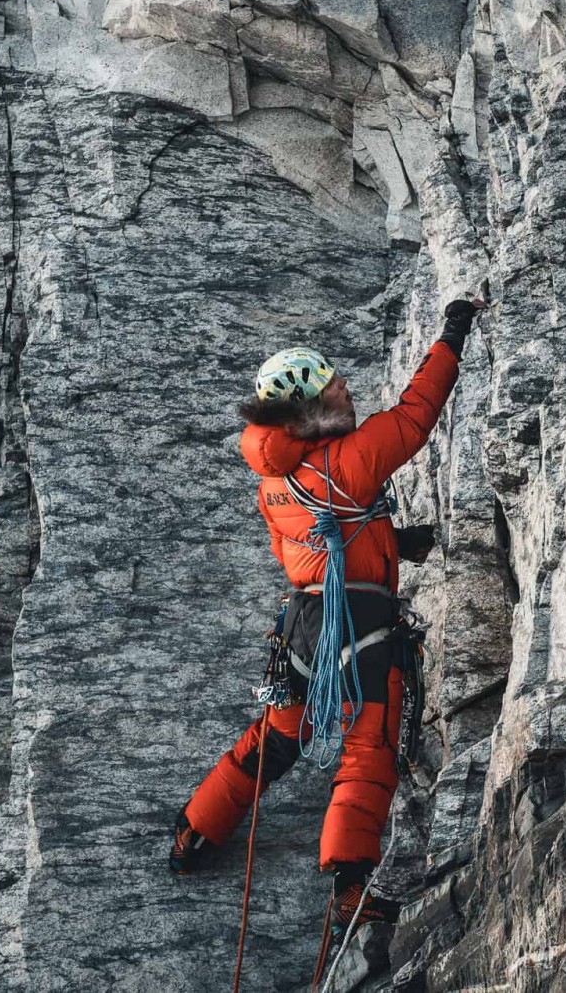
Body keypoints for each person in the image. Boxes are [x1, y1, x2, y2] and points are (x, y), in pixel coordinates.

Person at [170, 299, 483, 935]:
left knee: (278, 733)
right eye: (335, 382)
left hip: (295, 631)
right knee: (371, 744)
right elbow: (416, 414)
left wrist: (393, 540)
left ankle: (195, 829)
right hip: (359, 628)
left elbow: (303, 549)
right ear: (311, 409)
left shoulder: (272, 484)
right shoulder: (349, 460)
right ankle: (349, 886)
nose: (347, 385)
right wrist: (453, 332)